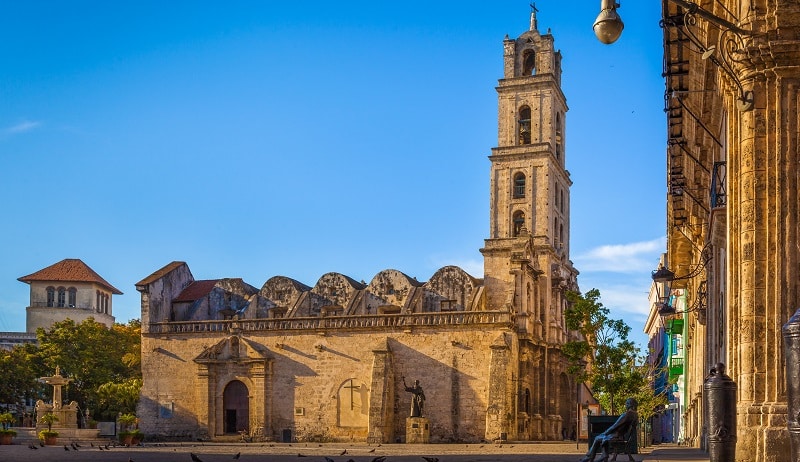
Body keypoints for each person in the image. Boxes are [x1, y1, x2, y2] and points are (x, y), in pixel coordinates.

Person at [579, 398, 638, 462]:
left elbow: (614, 426)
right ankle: (603, 455)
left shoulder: (626, 414)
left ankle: (590, 457)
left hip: (617, 436)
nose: (626, 405)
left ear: (630, 404)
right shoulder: (634, 414)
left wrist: (605, 432)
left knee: (597, 438)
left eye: (627, 403)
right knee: (602, 437)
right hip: (620, 435)